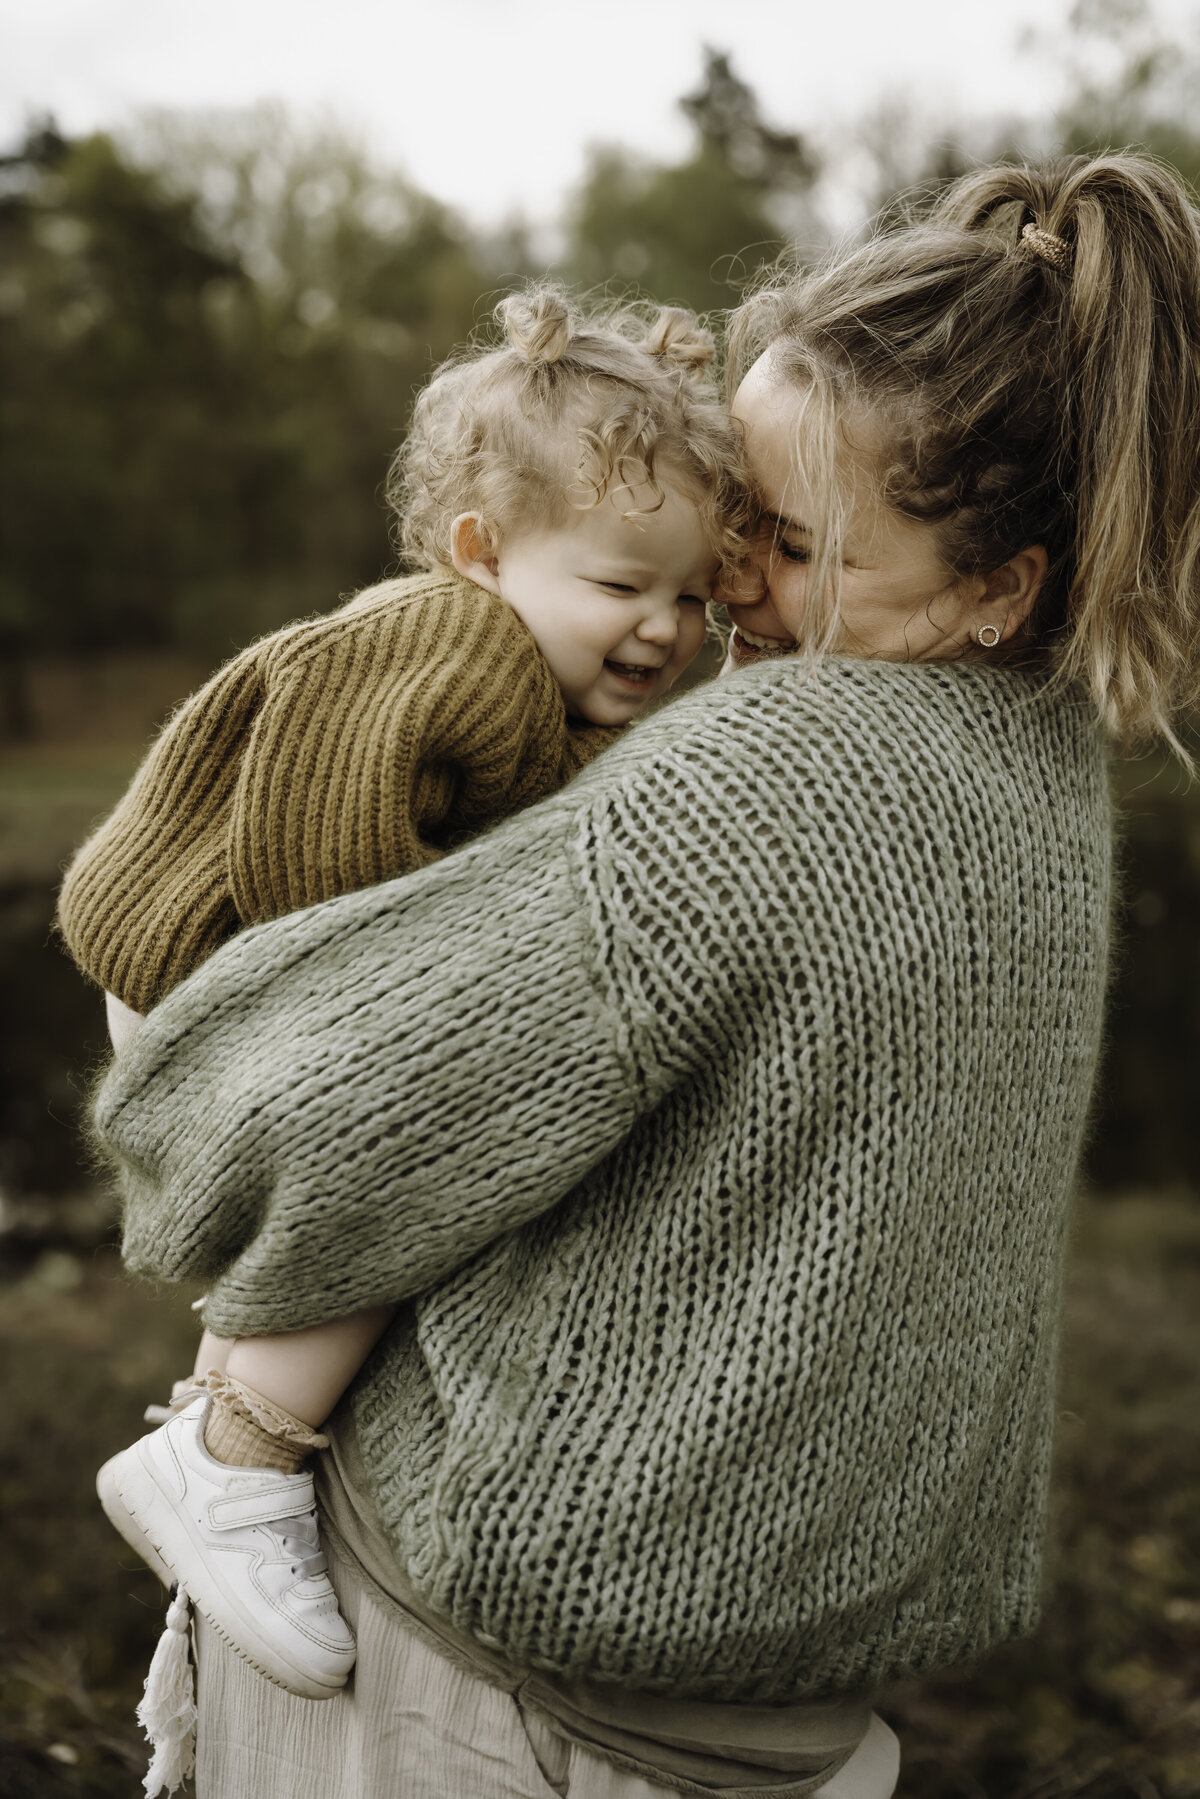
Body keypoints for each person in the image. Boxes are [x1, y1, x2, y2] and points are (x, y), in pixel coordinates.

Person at [87, 151, 1200, 1799]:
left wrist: (187, 995)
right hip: (790, 1717)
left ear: (997, 586)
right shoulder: (1037, 775)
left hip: (487, 1706)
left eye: (799, 548)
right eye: (739, 522)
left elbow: (258, 1127)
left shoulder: (765, 775)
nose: (730, 587)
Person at [57, 285, 751, 1706]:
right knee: (418, 1143)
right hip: (213, 943)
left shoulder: (519, 671)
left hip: (244, 948)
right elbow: (321, 838)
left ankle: (237, 1420)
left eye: (690, 597)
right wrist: (404, 1040)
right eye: (623, 588)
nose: (665, 631)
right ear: (481, 552)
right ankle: (233, 1456)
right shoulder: (454, 649)